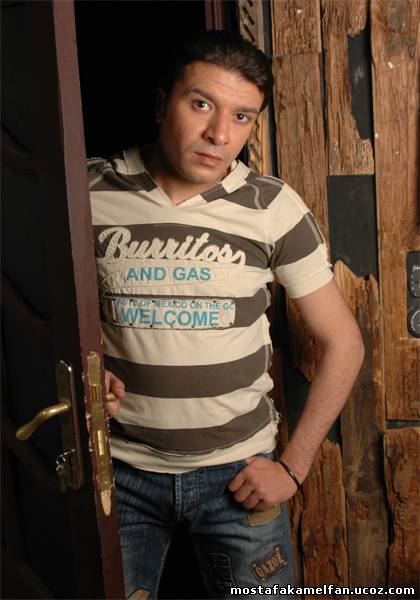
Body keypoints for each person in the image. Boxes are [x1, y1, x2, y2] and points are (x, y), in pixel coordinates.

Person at [88, 30, 364, 600]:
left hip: (240, 475)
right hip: (121, 473)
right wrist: (85, 365)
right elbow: (40, 313)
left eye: (242, 117)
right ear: (161, 102)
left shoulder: (272, 206)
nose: (220, 134)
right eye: (200, 104)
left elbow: (345, 343)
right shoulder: (88, 192)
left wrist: (292, 468)